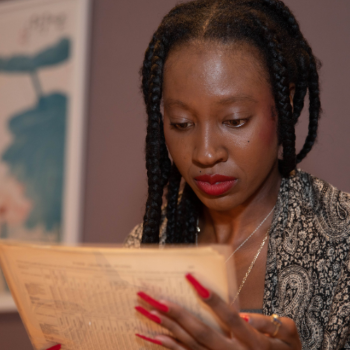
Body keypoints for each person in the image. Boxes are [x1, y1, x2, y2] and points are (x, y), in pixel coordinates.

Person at [125, 0, 350, 349]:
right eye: (181, 124)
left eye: (234, 120)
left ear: (285, 106)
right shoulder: (147, 246)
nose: (205, 153)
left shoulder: (343, 240)